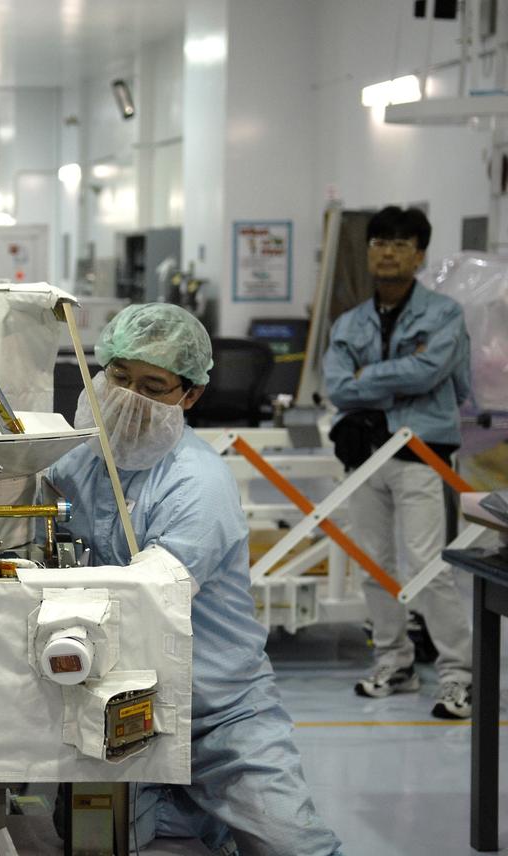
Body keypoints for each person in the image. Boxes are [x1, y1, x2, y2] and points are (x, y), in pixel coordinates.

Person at [46, 304, 343, 856]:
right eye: (119, 376)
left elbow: (148, 595)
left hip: (217, 715)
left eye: (153, 385)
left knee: (291, 844)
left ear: (190, 395)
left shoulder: (197, 482)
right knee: (96, 840)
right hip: (116, 709)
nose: (130, 395)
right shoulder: (74, 466)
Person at [324, 205, 473, 718]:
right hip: (366, 457)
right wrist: (393, 377)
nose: (387, 251)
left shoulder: (444, 315)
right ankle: (396, 661)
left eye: (400, 242)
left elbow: (431, 371)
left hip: (421, 455)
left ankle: (458, 675)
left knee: (430, 568)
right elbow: (336, 384)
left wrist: (369, 378)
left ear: (419, 254)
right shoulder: (350, 322)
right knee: (374, 566)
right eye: (379, 242)